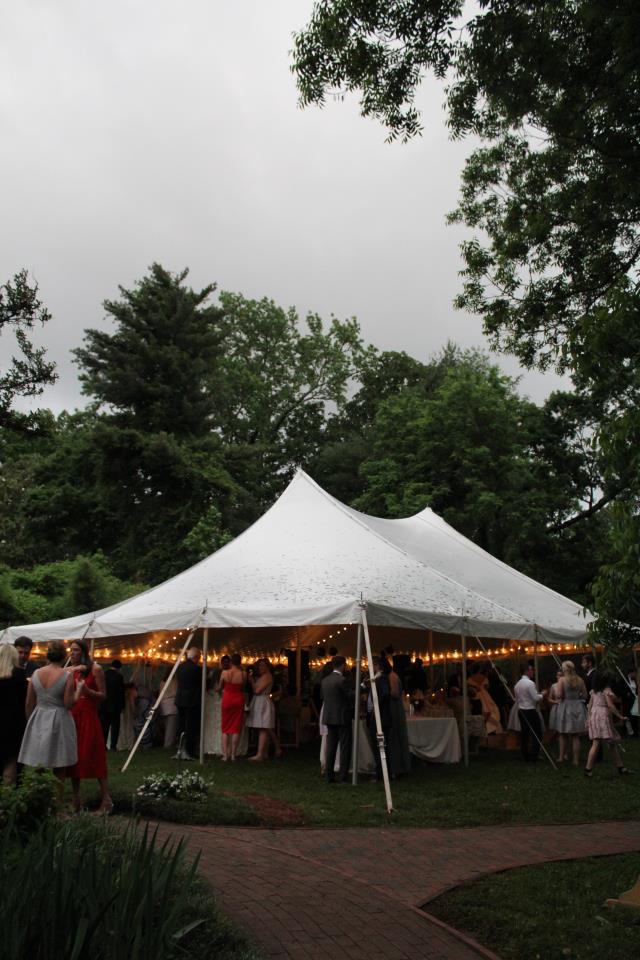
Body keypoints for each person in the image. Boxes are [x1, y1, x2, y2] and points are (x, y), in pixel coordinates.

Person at [18, 640, 79, 807]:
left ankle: (39, 801)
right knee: (59, 765)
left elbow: (29, 703)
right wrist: (78, 691)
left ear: (48, 655)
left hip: (39, 716)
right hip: (59, 717)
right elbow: (68, 703)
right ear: (63, 656)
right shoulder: (67, 675)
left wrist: (32, 721)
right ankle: (57, 805)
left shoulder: (36, 673)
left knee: (40, 762)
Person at [68, 639, 113, 814]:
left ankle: (106, 799)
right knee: (73, 757)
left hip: (88, 715)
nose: (72, 653)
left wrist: (88, 692)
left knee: (94, 755)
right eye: (70, 650)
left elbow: (103, 695)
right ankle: (75, 799)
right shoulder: (72, 670)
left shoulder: (96, 669)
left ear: (84, 651)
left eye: (76, 650)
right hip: (73, 715)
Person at [585, 671, 633, 777]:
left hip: (594, 715)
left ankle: (620, 767)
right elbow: (610, 705)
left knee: (605, 743)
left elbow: (589, 706)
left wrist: (588, 719)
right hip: (603, 716)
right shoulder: (607, 690)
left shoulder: (593, 692)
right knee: (604, 743)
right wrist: (620, 716)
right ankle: (588, 769)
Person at [321, 655, 353, 784]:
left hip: (329, 716)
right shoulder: (342, 680)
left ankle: (329, 776)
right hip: (342, 716)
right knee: (345, 746)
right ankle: (343, 776)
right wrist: (361, 688)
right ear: (343, 665)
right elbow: (349, 696)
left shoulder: (325, 680)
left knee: (331, 746)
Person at [0, 645, 27, 785]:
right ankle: (6, 795)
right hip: (14, 722)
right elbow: (25, 698)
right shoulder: (18, 675)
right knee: (11, 759)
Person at [247, 658, 282, 761]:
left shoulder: (267, 677)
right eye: (260, 666)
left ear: (268, 667)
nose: (261, 667)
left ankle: (261, 754)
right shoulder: (263, 676)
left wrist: (252, 682)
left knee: (264, 726)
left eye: (263, 666)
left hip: (263, 702)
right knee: (263, 727)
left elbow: (257, 691)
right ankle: (267, 751)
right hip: (259, 701)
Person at [553, 661, 588, 766]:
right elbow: (585, 695)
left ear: (564, 669)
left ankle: (561, 757)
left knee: (562, 734)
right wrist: (577, 697)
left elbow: (558, 695)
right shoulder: (580, 679)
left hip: (565, 706)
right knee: (575, 735)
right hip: (577, 706)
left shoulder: (562, 680)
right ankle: (576, 760)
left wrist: (562, 695)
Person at [365, 655, 393, 781]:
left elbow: (386, 694)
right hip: (376, 716)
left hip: (380, 717)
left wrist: (376, 706)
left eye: (372, 665)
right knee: (379, 746)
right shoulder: (377, 678)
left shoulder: (382, 678)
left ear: (377, 666)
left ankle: (381, 773)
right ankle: (383, 772)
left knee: (380, 746)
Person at [175, 646, 203, 760]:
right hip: (192, 701)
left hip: (180, 699)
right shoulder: (196, 669)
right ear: (196, 657)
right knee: (191, 726)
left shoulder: (180, 667)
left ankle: (180, 748)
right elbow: (200, 684)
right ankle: (189, 751)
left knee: (181, 725)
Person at [217, 653, 246, 761]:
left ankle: (225, 755)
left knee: (225, 728)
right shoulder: (243, 674)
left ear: (231, 662)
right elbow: (243, 687)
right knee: (236, 728)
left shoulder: (224, 673)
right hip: (238, 699)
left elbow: (220, 687)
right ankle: (233, 755)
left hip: (227, 699)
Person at [514, 663, 545, 761]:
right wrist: (543, 694)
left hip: (521, 711)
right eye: (531, 670)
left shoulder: (517, 684)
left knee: (525, 733)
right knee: (537, 733)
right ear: (526, 671)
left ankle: (525, 754)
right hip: (530, 710)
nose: (533, 672)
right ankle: (534, 755)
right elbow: (536, 698)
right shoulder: (530, 683)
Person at [386, 655, 411, 777]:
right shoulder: (394, 675)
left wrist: (383, 693)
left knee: (396, 737)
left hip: (394, 709)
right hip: (395, 709)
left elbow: (395, 693)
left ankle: (399, 767)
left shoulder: (392, 676)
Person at [468, 663, 503, 734]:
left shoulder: (470, 679)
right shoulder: (484, 678)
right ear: (479, 670)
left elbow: (469, 689)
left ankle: (482, 729)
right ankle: (491, 728)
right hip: (485, 695)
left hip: (476, 696)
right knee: (491, 709)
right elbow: (487, 688)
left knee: (480, 711)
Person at [99, 659, 126, 751]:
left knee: (104, 727)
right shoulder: (119, 677)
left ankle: (103, 745)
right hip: (115, 706)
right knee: (115, 727)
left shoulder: (104, 675)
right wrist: (123, 706)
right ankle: (113, 746)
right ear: (119, 667)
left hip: (104, 705)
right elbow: (121, 692)